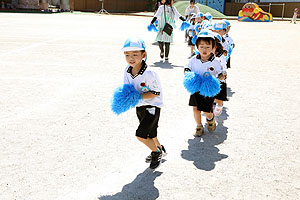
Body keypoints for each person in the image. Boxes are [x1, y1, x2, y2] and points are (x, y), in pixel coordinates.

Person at [122, 37, 166, 170]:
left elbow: (155, 93)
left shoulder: (149, 73)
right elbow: (127, 88)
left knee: (140, 135)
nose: (131, 58)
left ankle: (156, 153)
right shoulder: (127, 70)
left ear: (143, 55)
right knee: (151, 134)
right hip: (139, 106)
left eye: (135, 54)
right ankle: (160, 148)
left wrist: (137, 97)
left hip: (152, 107)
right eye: (127, 54)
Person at [184, 30, 222, 136]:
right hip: (195, 88)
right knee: (195, 108)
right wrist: (187, 73)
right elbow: (187, 68)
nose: (204, 50)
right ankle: (199, 126)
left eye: (207, 47)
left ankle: (210, 118)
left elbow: (221, 73)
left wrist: (220, 76)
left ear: (213, 47)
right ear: (197, 47)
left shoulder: (215, 61)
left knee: (205, 111)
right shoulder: (193, 60)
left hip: (207, 90)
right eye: (201, 46)